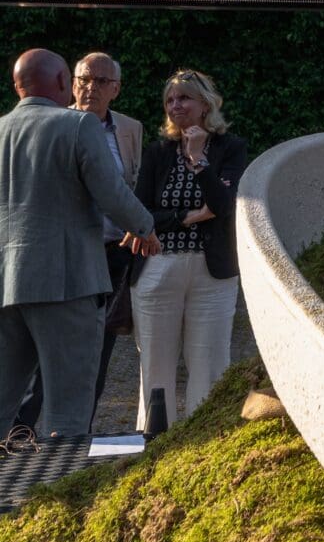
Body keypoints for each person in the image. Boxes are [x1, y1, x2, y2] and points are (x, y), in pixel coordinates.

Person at [0, 49, 157, 445]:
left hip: (6, 284)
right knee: (68, 409)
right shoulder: (78, 125)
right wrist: (145, 227)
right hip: (67, 281)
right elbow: (111, 192)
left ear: (18, 86)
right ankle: (63, 480)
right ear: (62, 83)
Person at [132, 69, 249, 429]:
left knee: (210, 364)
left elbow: (225, 206)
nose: (175, 105)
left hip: (212, 272)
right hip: (158, 266)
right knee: (155, 365)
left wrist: (198, 160)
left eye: (183, 98)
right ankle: (154, 442)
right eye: (169, 100)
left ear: (205, 104)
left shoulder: (231, 148)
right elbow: (141, 214)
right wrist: (190, 216)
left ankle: (205, 440)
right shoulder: (158, 152)